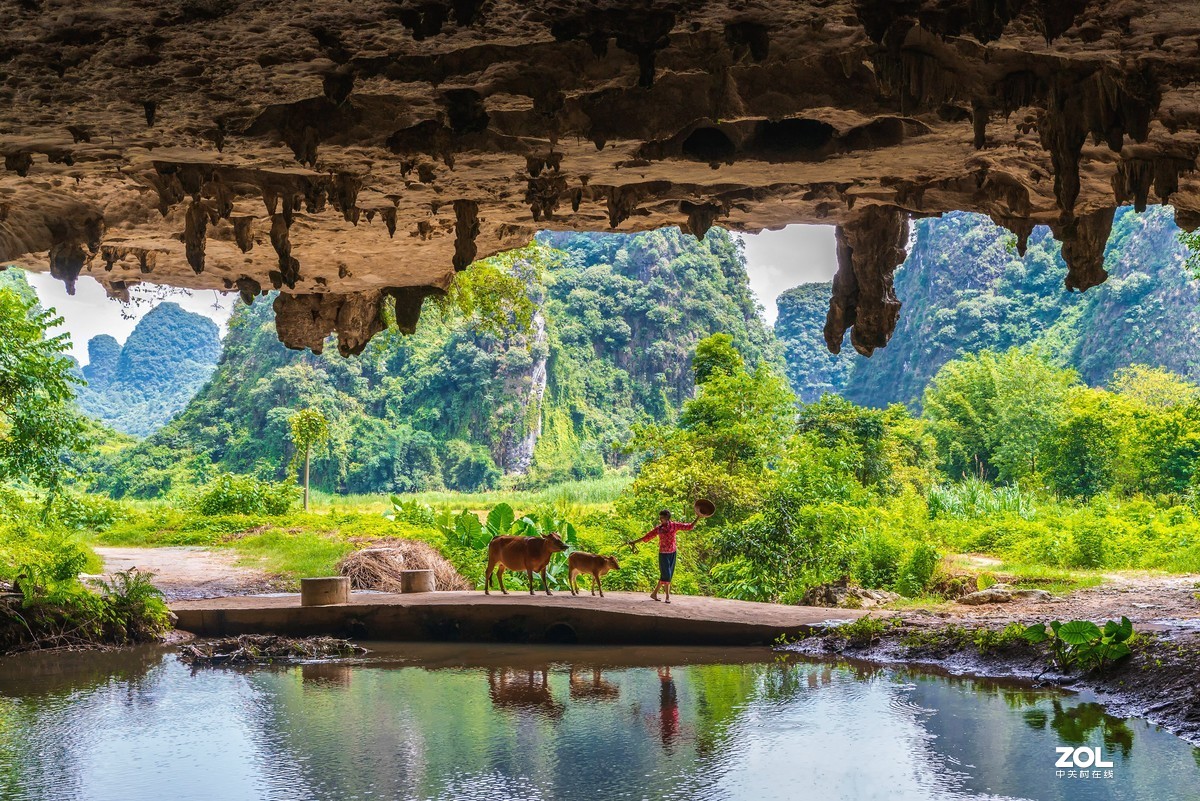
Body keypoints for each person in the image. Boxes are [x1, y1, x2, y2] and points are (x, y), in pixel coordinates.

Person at [627, 509, 696, 603]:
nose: (660, 519)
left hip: (672, 552)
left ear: (667, 518)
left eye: (662, 518)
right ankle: (667, 597)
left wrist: (698, 517)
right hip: (663, 554)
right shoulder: (659, 529)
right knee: (667, 575)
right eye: (660, 518)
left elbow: (689, 526)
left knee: (667, 575)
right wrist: (634, 542)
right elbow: (647, 536)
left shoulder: (675, 525)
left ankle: (654, 593)